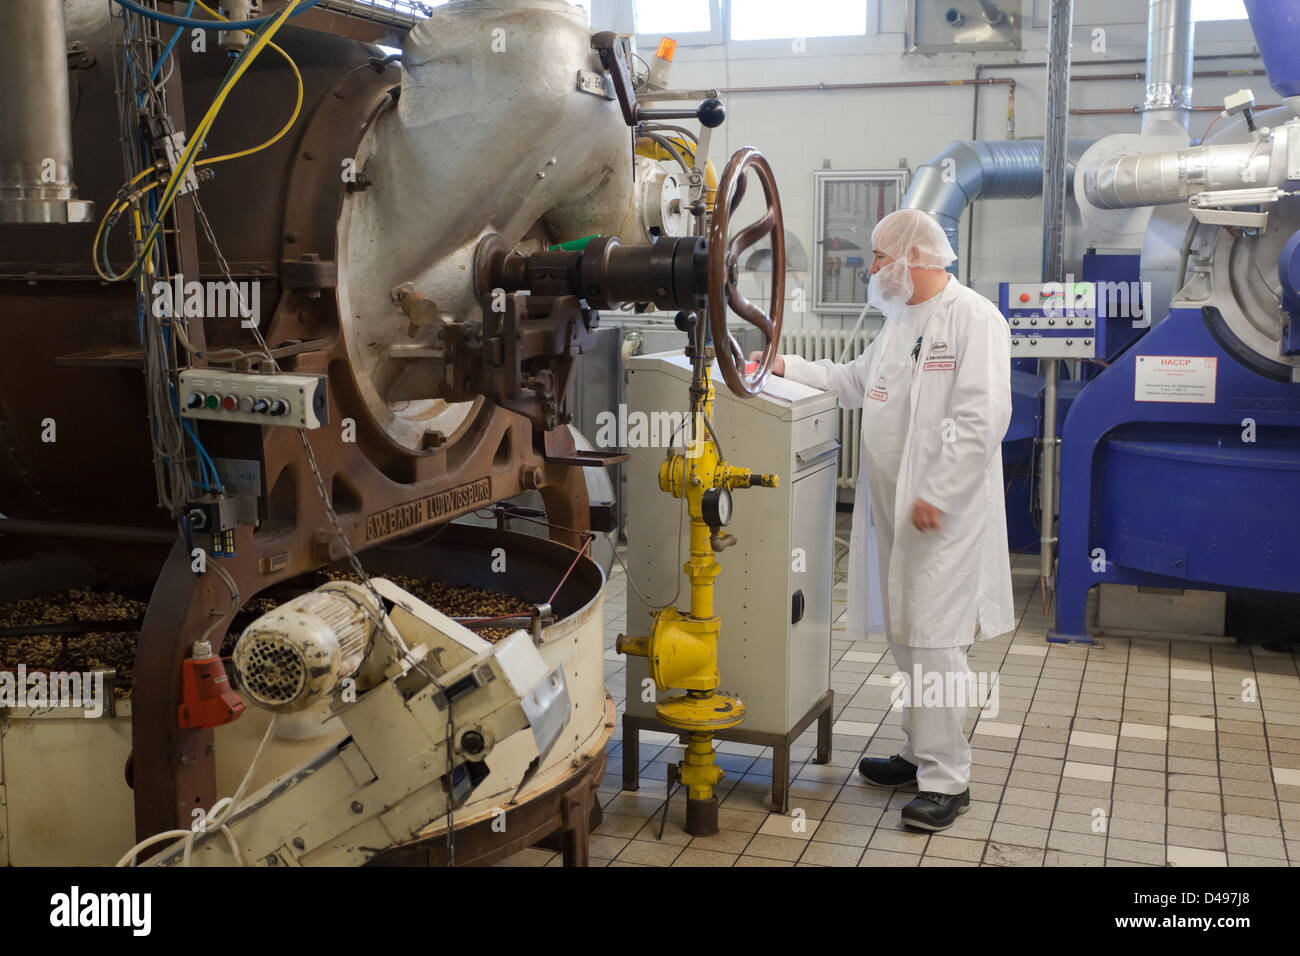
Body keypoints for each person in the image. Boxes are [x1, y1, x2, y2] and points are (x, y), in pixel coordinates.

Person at [754, 208, 1013, 832]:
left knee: (935, 639)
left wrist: (940, 493)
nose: (871, 269)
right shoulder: (900, 323)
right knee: (907, 632)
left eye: (878, 258)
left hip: (943, 517)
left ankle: (949, 780)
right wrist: (784, 366)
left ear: (914, 259)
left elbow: (983, 420)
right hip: (896, 511)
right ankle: (919, 752)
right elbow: (850, 380)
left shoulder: (974, 318)